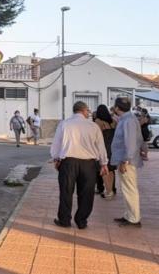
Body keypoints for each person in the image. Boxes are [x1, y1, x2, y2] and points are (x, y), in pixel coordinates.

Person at [50, 101, 108, 229]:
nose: (88, 113)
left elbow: (56, 144)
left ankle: (64, 220)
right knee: (87, 193)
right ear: (83, 110)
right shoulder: (93, 126)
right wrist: (104, 163)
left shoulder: (64, 124)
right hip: (88, 164)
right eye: (88, 110)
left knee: (66, 192)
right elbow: (100, 146)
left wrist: (55, 158)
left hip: (68, 163)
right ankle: (81, 221)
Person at [110, 97, 144, 227]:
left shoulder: (128, 121)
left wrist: (125, 161)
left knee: (130, 189)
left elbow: (130, 143)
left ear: (117, 108)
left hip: (127, 161)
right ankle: (129, 215)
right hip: (126, 159)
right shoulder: (128, 119)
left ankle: (134, 218)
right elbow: (139, 138)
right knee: (127, 189)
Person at [93, 104, 117, 199]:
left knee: (104, 170)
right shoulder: (113, 121)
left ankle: (108, 191)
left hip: (103, 147)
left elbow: (96, 137)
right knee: (111, 171)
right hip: (112, 148)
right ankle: (112, 190)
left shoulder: (98, 122)